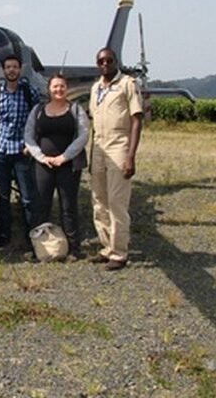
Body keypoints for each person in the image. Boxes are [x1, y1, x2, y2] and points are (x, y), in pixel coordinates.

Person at [87, 47, 143, 271]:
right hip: (98, 146)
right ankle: (106, 247)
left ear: (116, 62)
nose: (105, 64)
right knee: (99, 201)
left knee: (117, 202)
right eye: (101, 61)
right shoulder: (95, 88)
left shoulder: (127, 84)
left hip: (119, 145)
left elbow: (137, 120)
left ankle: (119, 253)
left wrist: (130, 156)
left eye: (109, 60)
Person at [24, 73, 89, 258]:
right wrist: (40, 156)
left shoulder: (76, 110)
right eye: (55, 87)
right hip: (43, 164)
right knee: (41, 205)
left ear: (66, 88)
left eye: (62, 86)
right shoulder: (38, 110)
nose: (58, 90)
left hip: (68, 165)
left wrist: (64, 157)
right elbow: (28, 135)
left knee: (68, 206)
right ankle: (38, 247)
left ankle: (74, 248)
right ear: (49, 89)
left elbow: (83, 135)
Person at [0, 55, 40, 251]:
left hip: (22, 150)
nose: (11, 70)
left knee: (28, 197)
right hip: (2, 151)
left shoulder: (30, 92)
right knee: (2, 197)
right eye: (8, 67)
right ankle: (4, 236)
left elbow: (38, 118)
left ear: (20, 70)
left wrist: (32, 144)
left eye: (15, 67)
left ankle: (32, 238)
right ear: (3, 70)